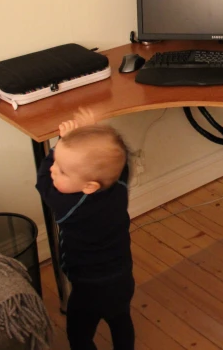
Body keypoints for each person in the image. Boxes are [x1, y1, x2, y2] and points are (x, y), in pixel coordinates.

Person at [35, 108, 134, 350]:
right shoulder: (117, 183)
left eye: (61, 169)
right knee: (121, 320)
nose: (52, 169)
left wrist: (59, 145)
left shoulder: (69, 207)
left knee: (78, 332)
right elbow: (117, 157)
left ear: (89, 186)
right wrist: (91, 132)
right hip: (122, 278)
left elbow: (43, 183)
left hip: (88, 285)